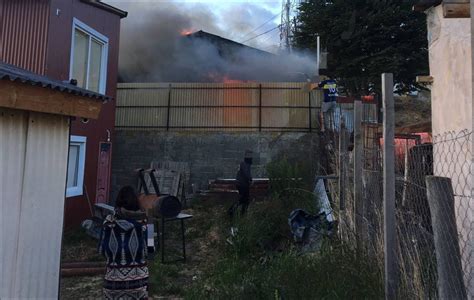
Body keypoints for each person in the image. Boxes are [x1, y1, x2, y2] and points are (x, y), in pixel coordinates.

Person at [99, 186, 149, 300]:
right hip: (139, 284)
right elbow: (151, 252)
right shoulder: (146, 224)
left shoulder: (107, 223)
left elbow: (102, 251)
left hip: (112, 283)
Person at [228, 150, 253, 217]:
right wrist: (250, 179)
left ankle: (242, 213)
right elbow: (246, 174)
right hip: (243, 185)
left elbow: (246, 174)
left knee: (245, 200)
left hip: (242, 184)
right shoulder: (245, 164)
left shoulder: (245, 164)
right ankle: (232, 211)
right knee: (243, 200)